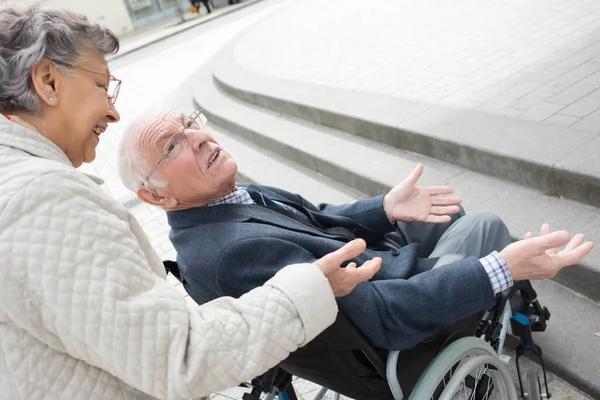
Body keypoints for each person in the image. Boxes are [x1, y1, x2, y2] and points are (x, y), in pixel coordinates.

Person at [0, 5, 381, 400]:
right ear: (48, 81)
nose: (113, 112)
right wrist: (309, 289)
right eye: (102, 86)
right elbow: (177, 356)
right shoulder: (42, 198)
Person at [119, 109, 595, 351]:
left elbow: (319, 214)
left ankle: (508, 299)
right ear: (155, 196)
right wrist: (501, 266)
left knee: (441, 210)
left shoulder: (223, 203)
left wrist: (385, 208)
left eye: (191, 124)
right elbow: (385, 315)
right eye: (173, 145)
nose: (200, 137)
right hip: (397, 304)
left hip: (378, 267)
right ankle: (510, 295)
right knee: (485, 227)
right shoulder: (233, 253)